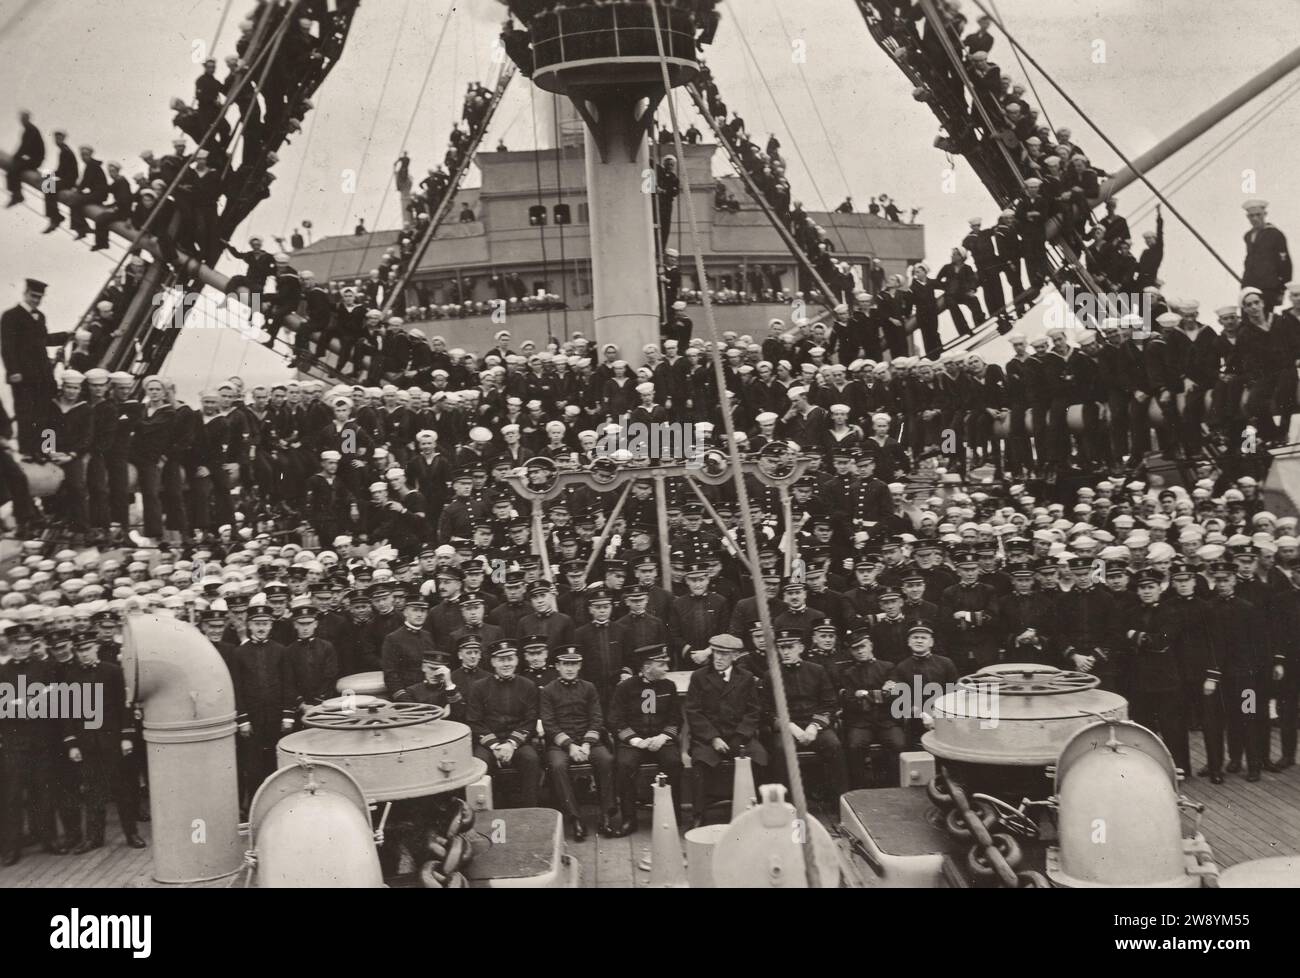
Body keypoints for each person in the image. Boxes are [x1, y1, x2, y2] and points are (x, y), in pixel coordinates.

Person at [62, 631, 144, 851]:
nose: (84, 654)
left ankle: (131, 833)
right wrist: (72, 744)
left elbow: (124, 706)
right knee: (92, 792)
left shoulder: (113, 672)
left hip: (113, 742)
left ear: (96, 648)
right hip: (87, 744)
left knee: (122, 790)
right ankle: (93, 838)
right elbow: (67, 714)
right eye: (80, 650)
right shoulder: (70, 676)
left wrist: (127, 737)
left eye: (87, 649)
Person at [684, 634, 767, 826]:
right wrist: (713, 738)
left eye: (724, 654)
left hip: (739, 736)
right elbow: (693, 711)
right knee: (700, 764)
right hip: (708, 738)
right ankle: (699, 814)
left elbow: (754, 711)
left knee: (761, 758)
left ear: (735, 657)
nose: (719, 658)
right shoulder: (699, 677)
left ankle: (758, 811)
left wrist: (740, 736)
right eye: (715, 653)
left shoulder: (746, 678)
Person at [539, 646, 618, 841]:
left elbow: (597, 719)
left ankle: (606, 815)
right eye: (565, 664)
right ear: (557, 666)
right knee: (557, 766)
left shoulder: (589, 688)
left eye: (574, 664)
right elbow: (549, 724)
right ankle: (574, 818)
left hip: (589, 742)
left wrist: (587, 744)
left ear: (580, 665)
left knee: (606, 760)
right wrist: (570, 746)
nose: (570, 668)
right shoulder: (548, 691)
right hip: (561, 744)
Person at [607, 644, 683, 835]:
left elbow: (676, 718)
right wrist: (636, 741)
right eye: (662, 664)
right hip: (634, 742)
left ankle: (672, 815)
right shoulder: (625, 688)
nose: (667, 668)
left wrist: (663, 737)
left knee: (673, 762)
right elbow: (616, 720)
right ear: (647, 666)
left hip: (661, 740)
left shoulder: (669, 686)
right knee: (624, 766)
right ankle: (629, 819)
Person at [468, 640, 541, 807]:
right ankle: (488, 812)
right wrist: (495, 746)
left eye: (510, 659)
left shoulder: (528, 686)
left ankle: (531, 811)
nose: (506, 664)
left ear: (516, 660)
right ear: (493, 662)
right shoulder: (479, 687)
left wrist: (511, 744)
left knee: (531, 759)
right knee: (480, 764)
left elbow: (530, 720)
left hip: (517, 742)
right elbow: (474, 722)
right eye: (501, 660)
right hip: (488, 743)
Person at [2, 278, 68, 454]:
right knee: (26, 415)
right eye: (33, 296)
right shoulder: (10, 316)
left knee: (44, 413)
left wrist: (66, 336)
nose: (36, 300)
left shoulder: (40, 317)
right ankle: (28, 453)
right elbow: (7, 346)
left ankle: (46, 450)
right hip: (23, 377)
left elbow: (42, 341)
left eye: (39, 297)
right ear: (25, 294)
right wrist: (13, 371)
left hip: (42, 375)